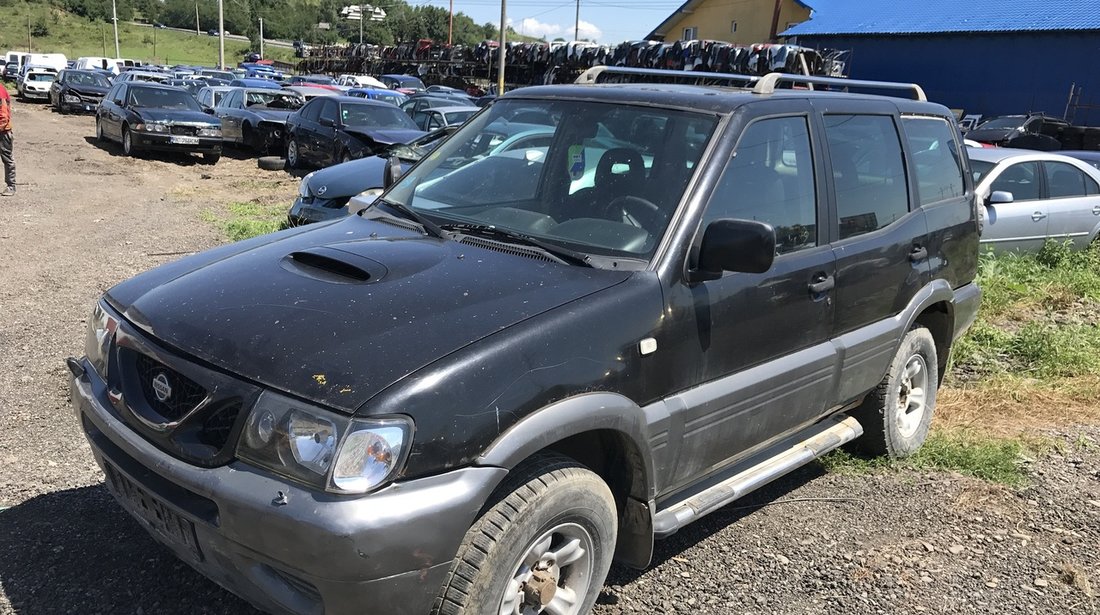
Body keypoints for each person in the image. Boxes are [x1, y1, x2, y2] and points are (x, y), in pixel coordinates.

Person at [0, 84, 14, 196]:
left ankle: (11, 186)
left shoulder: (0, 91)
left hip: (3, 132)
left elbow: (3, 115)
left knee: (7, 159)